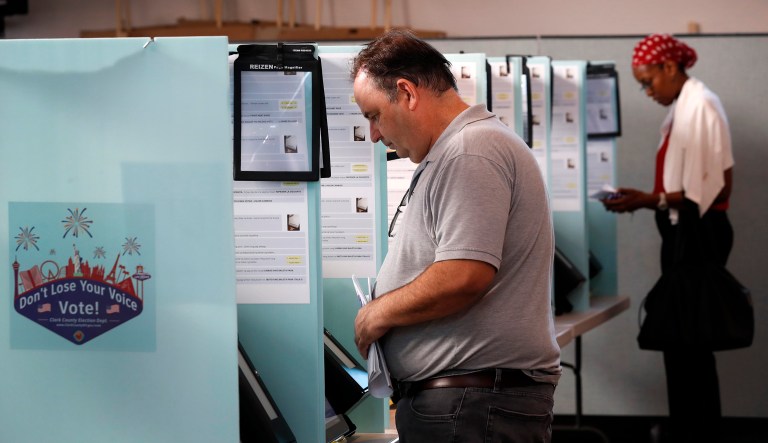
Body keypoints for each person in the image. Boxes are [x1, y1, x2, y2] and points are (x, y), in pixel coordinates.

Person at [350, 30, 561, 442]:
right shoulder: (459, 149)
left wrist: (377, 313)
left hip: (471, 408)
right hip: (469, 404)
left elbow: (464, 274)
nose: (374, 135)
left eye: (373, 114)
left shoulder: (470, 150)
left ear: (406, 92)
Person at [602, 34, 734, 442]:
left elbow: (718, 186)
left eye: (648, 81)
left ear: (670, 68)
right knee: (681, 342)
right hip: (684, 231)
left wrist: (648, 199)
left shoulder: (702, 105)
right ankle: (689, 429)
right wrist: (647, 199)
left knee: (691, 343)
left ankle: (698, 431)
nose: (646, 91)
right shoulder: (682, 108)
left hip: (699, 234)